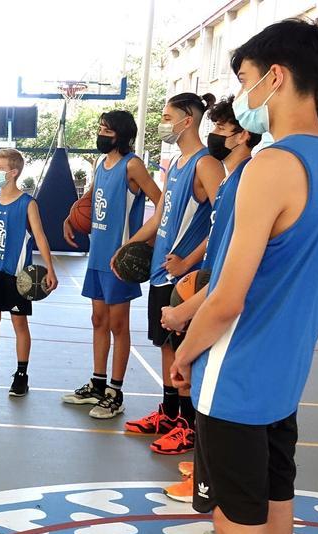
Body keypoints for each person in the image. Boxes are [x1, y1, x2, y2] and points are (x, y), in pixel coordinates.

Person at [171, 20, 318, 534]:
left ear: (275, 75)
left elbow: (228, 296)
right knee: (276, 497)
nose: (241, 96)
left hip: (237, 370)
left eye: (245, 80)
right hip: (285, 370)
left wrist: (186, 350)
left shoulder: (272, 167)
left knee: (236, 524)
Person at [161, 86, 318, 502]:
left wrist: (188, 317)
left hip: (237, 342)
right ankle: (210, 472)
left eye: (248, 80)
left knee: (240, 496)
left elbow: (234, 280)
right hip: (279, 346)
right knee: (274, 483)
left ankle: (209, 482)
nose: (218, 133)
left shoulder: (261, 174)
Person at [117, 92, 223, 455]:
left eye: (167, 116)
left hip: (186, 277)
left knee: (185, 351)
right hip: (161, 273)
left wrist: (188, 259)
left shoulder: (206, 165)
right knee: (165, 346)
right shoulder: (176, 163)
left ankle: (189, 425)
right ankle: (170, 413)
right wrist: (130, 244)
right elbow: (160, 216)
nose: (163, 122)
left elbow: (224, 224)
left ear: (187, 120)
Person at [61, 110, 162, 419]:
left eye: (106, 128)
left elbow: (161, 202)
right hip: (98, 254)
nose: (101, 133)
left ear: (120, 133)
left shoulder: (133, 165)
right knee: (98, 320)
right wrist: (71, 215)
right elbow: (94, 195)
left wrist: (140, 242)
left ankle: (115, 393)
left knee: (119, 325)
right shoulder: (101, 165)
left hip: (121, 259)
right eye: (100, 127)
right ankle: (97, 383)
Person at [0, 148, 58, 396]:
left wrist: (50, 269)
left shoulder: (28, 204)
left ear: (13, 172)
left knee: (19, 324)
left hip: (18, 276)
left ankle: (21, 375)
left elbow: (40, 237)